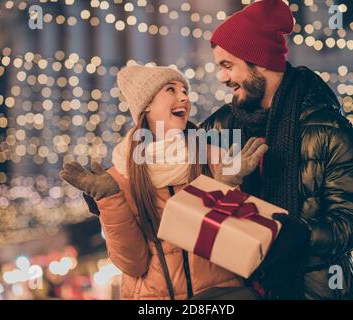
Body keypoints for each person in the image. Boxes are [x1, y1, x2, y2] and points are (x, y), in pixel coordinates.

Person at [197, 0, 353, 299]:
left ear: (259, 61)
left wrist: (301, 234)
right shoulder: (220, 127)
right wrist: (115, 190)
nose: (222, 78)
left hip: (314, 290)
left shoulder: (329, 130)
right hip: (244, 288)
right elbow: (171, 170)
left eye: (228, 66)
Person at [59, 64, 267, 299]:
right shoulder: (121, 176)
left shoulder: (214, 158)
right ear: (146, 104)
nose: (183, 97)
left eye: (185, 91)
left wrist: (224, 185)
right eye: (171, 90)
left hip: (222, 295)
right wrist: (110, 200)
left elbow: (235, 245)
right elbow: (134, 264)